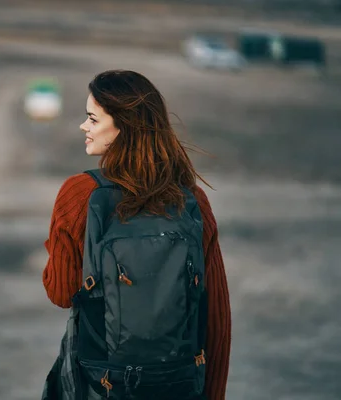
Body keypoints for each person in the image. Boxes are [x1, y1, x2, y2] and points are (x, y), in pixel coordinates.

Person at [42, 70, 231, 399]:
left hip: (101, 384)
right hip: (178, 385)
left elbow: (60, 292)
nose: (83, 127)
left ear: (123, 127)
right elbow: (214, 315)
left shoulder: (79, 194)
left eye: (92, 119)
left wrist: (60, 237)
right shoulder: (191, 200)